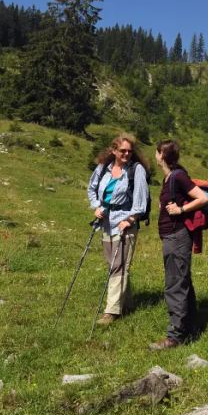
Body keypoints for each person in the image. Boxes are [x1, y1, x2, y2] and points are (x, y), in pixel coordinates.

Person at [150, 139, 208, 350]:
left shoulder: (178, 176)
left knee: (175, 284)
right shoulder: (169, 178)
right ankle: (190, 327)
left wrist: (181, 210)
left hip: (177, 237)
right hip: (171, 236)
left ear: (161, 155)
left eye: (157, 152)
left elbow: (203, 198)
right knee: (182, 280)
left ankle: (175, 336)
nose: (155, 156)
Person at [86, 134, 150, 326]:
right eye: (122, 150)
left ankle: (111, 311)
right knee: (113, 264)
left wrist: (130, 219)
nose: (127, 154)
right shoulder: (103, 168)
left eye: (130, 151)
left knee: (119, 265)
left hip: (126, 222)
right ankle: (127, 304)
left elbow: (141, 200)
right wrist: (97, 206)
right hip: (106, 222)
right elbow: (91, 189)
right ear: (113, 150)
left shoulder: (136, 170)